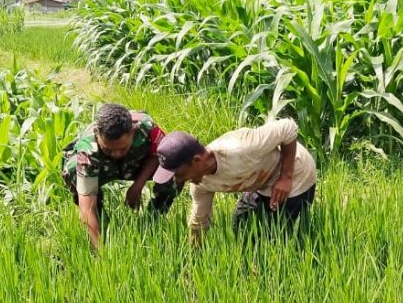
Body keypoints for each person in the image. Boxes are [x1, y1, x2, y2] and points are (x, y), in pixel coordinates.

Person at [152, 118, 317, 245]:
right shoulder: (200, 184)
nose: (180, 180)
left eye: (180, 174)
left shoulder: (242, 148)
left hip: (295, 173)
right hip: (259, 181)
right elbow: (199, 224)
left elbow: (288, 128)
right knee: (242, 228)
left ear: (196, 160)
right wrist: (193, 263)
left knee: (276, 238)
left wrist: (285, 177)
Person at [61, 103, 177, 249]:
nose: (116, 154)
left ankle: (152, 220)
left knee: (174, 166)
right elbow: (87, 208)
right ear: (98, 136)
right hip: (102, 168)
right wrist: (101, 253)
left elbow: (157, 156)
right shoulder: (88, 151)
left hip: (135, 164)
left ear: (133, 133)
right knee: (72, 171)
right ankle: (103, 229)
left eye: (122, 148)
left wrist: (137, 186)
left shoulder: (147, 128)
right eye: (108, 149)